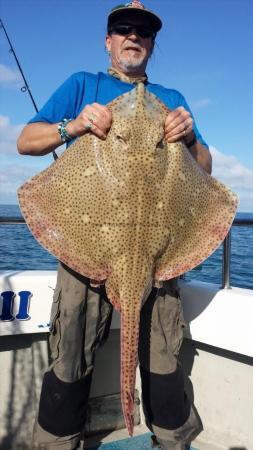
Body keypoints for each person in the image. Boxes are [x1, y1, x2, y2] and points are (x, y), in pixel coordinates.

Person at [17, 2, 212, 449]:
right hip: (89, 246)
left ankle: (170, 439)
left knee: (163, 361)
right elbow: (27, 140)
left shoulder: (174, 98)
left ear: (152, 43)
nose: (133, 35)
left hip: (157, 253)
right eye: (123, 28)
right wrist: (75, 124)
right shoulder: (83, 84)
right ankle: (56, 443)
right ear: (108, 40)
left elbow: (205, 170)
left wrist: (187, 137)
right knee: (69, 360)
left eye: (143, 30)